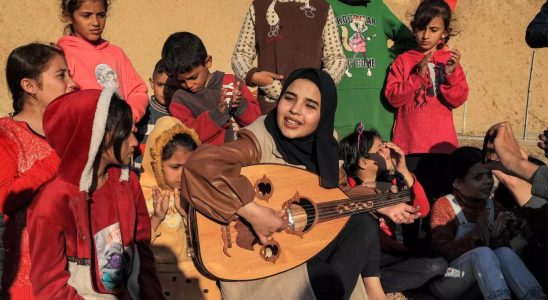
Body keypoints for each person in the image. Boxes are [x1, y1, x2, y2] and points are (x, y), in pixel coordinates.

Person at [180, 68, 381, 300]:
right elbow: (200, 164)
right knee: (325, 281)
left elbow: (338, 197)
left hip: (307, 247)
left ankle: (375, 293)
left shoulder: (324, 146)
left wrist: (378, 200)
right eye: (289, 98)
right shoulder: (259, 140)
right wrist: (252, 212)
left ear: (324, 115)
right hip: (261, 263)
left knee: (362, 222)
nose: (295, 110)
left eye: (310, 106)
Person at [27, 89, 164, 298]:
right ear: (98, 136)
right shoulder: (51, 203)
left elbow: (143, 252)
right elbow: (50, 287)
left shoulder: (127, 184)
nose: (135, 143)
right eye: (125, 133)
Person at [0, 43, 77, 299]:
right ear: (29, 86)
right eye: (61, 75)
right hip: (28, 283)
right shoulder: (7, 135)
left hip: (76, 277)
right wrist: (55, 159)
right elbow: (4, 198)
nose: (72, 83)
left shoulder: (70, 134)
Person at [340, 125, 447, 295]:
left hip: (399, 254)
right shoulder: (350, 187)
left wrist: (403, 169)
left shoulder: (394, 183)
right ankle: (371, 285)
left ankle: (383, 283)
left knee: (437, 263)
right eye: (380, 148)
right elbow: (345, 200)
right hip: (372, 257)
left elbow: (423, 210)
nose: (388, 150)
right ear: (363, 161)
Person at [429, 146, 546, 300]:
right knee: (483, 252)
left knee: (504, 253)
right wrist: (476, 234)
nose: (487, 182)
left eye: (489, 175)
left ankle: (535, 296)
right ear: (457, 183)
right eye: (478, 177)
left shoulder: (493, 206)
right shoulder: (445, 206)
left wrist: (498, 238)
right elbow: (441, 254)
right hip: (449, 280)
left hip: (481, 282)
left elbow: (500, 258)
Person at [139, 116, 221, 298]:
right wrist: (156, 218)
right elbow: (137, 247)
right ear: (157, 163)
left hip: (199, 280)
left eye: (188, 166)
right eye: (175, 167)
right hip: (157, 282)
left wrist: (187, 215)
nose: (182, 174)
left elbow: (212, 242)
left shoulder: (199, 192)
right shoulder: (142, 196)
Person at [231, 0, 347, 114]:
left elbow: (336, 58)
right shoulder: (260, 6)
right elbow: (241, 54)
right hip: (270, 105)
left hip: (310, 108)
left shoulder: (322, 7)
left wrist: (318, 85)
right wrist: (256, 77)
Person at [384, 0, 468, 155]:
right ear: (413, 27)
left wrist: (450, 74)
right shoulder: (403, 61)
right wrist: (417, 76)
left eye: (433, 29)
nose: (426, 35)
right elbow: (393, 98)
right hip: (409, 146)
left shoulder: (449, 61)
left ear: (444, 32)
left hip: (442, 145)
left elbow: (458, 99)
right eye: (421, 28)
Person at [327, 0, 417, 139]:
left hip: (376, 104)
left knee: (375, 155)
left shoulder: (377, 7)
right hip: (341, 101)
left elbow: (408, 40)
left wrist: (387, 57)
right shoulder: (327, 5)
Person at [162, 32, 261, 145]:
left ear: (208, 62)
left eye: (193, 77)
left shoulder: (231, 83)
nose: (189, 85)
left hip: (247, 153)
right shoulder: (180, 100)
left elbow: (257, 122)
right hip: (210, 158)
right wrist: (217, 115)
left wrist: (240, 105)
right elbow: (188, 138)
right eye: (181, 81)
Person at [58, 0, 149, 121]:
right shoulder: (62, 54)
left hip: (121, 132)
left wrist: (129, 118)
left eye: (101, 15)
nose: (96, 22)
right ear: (68, 16)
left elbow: (137, 91)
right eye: (87, 15)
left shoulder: (116, 53)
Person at [134, 59, 171, 170]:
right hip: (138, 174)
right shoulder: (142, 111)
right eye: (160, 85)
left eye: (171, 87)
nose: (165, 91)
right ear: (151, 83)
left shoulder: (181, 115)